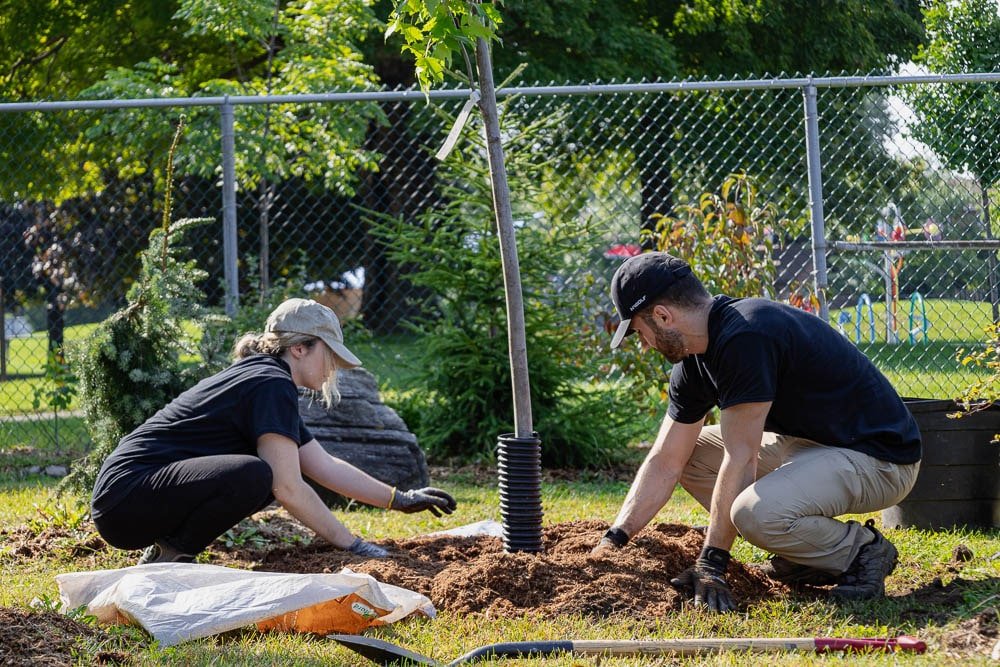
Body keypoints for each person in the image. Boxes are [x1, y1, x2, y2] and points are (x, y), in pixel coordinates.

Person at [592, 252, 921, 611]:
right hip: (811, 445)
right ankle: (805, 553)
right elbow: (666, 460)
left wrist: (712, 561)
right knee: (693, 455)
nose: (645, 344)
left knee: (753, 513)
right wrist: (615, 538)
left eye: (640, 331)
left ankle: (862, 552)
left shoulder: (746, 335)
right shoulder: (693, 361)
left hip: (879, 458)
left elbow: (742, 456)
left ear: (662, 316)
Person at [91, 298, 457, 564]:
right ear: (299, 348)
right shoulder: (270, 383)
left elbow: (324, 466)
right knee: (259, 475)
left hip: (127, 500)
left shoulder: (265, 378)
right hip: (128, 498)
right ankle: (172, 555)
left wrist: (400, 498)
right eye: (329, 355)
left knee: (262, 474)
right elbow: (288, 488)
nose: (333, 369)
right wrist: (352, 544)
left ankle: (171, 551)